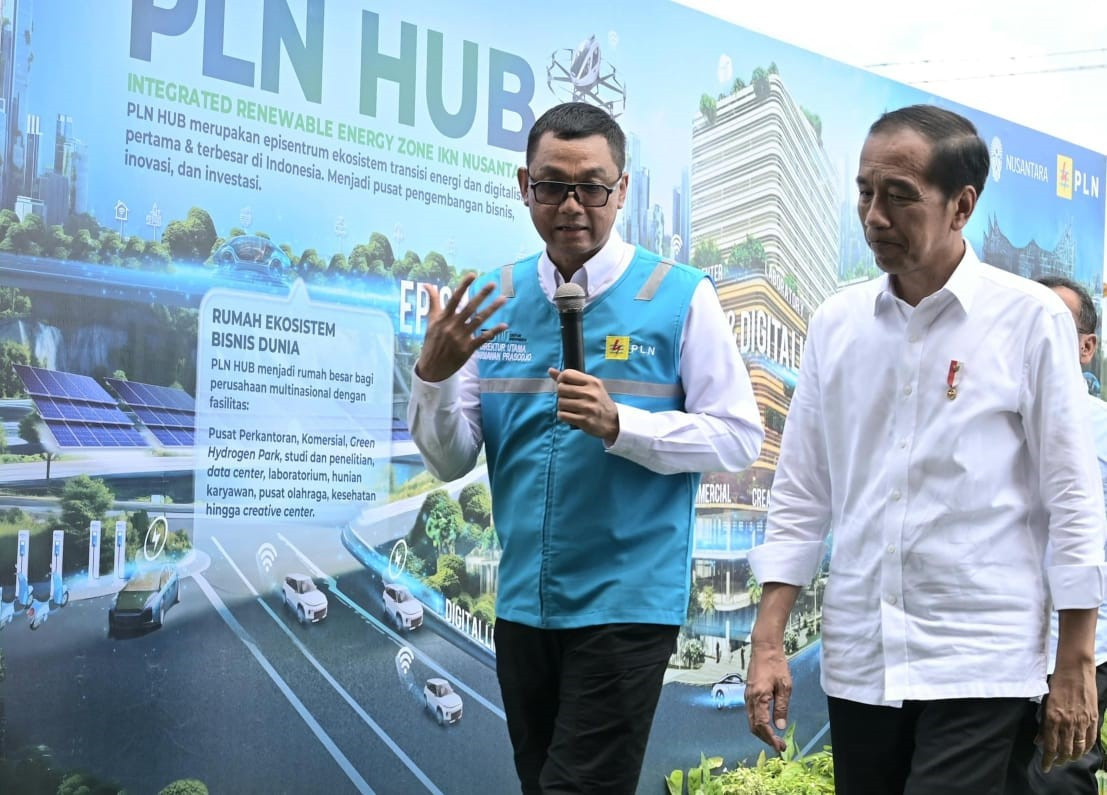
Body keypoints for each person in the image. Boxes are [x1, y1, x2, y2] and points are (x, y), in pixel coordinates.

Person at [744, 104, 1106, 795]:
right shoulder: (836, 323)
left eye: (899, 196)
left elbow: (1071, 496)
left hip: (981, 657)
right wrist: (767, 639)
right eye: (863, 192)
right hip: (862, 657)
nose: (874, 215)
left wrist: (1075, 659)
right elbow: (800, 489)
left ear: (961, 206)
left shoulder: (1028, 320)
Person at [407, 101, 764, 794]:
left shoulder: (679, 295)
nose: (571, 205)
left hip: (626, 604)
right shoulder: (494, 299)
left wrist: (621, 424)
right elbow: (451, 459)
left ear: (622, 190)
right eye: (551, 186)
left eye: (592, 186)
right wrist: (433, 376)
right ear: (524, 186)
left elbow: (737, 434)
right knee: (540, 780)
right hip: (522, 604)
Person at [1006, 275, 1107, 794]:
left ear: (1086, 348)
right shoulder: (995, 417)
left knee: (1057, 782)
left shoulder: (1101, 429)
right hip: (996, 645)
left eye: (1056, 324)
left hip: (1076, 647)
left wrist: (1083, 655)